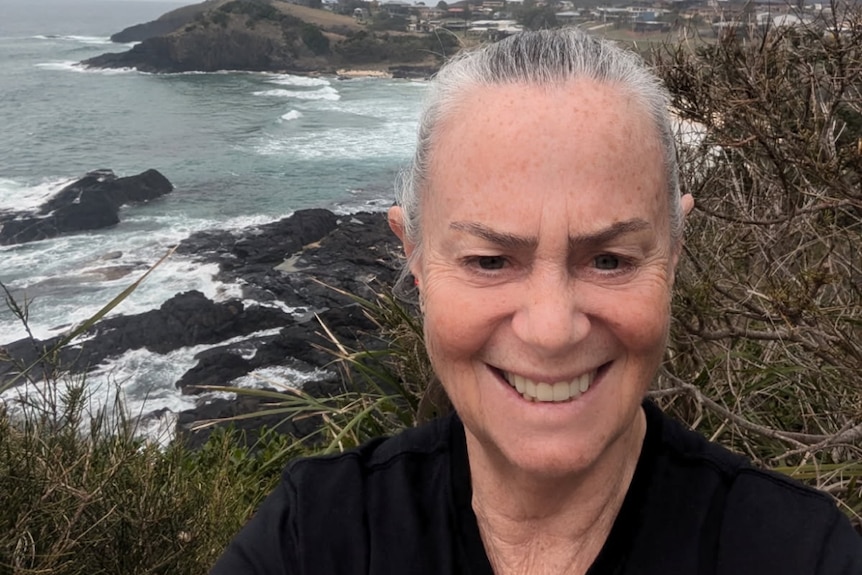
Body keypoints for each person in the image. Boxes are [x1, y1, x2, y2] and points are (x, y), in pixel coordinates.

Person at [211, 28, 862, 574]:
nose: (551, 329)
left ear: (675, 250)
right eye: (490, 260)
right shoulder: (315, 537)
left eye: (609, 259)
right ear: (412, 253)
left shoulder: (797, 552)